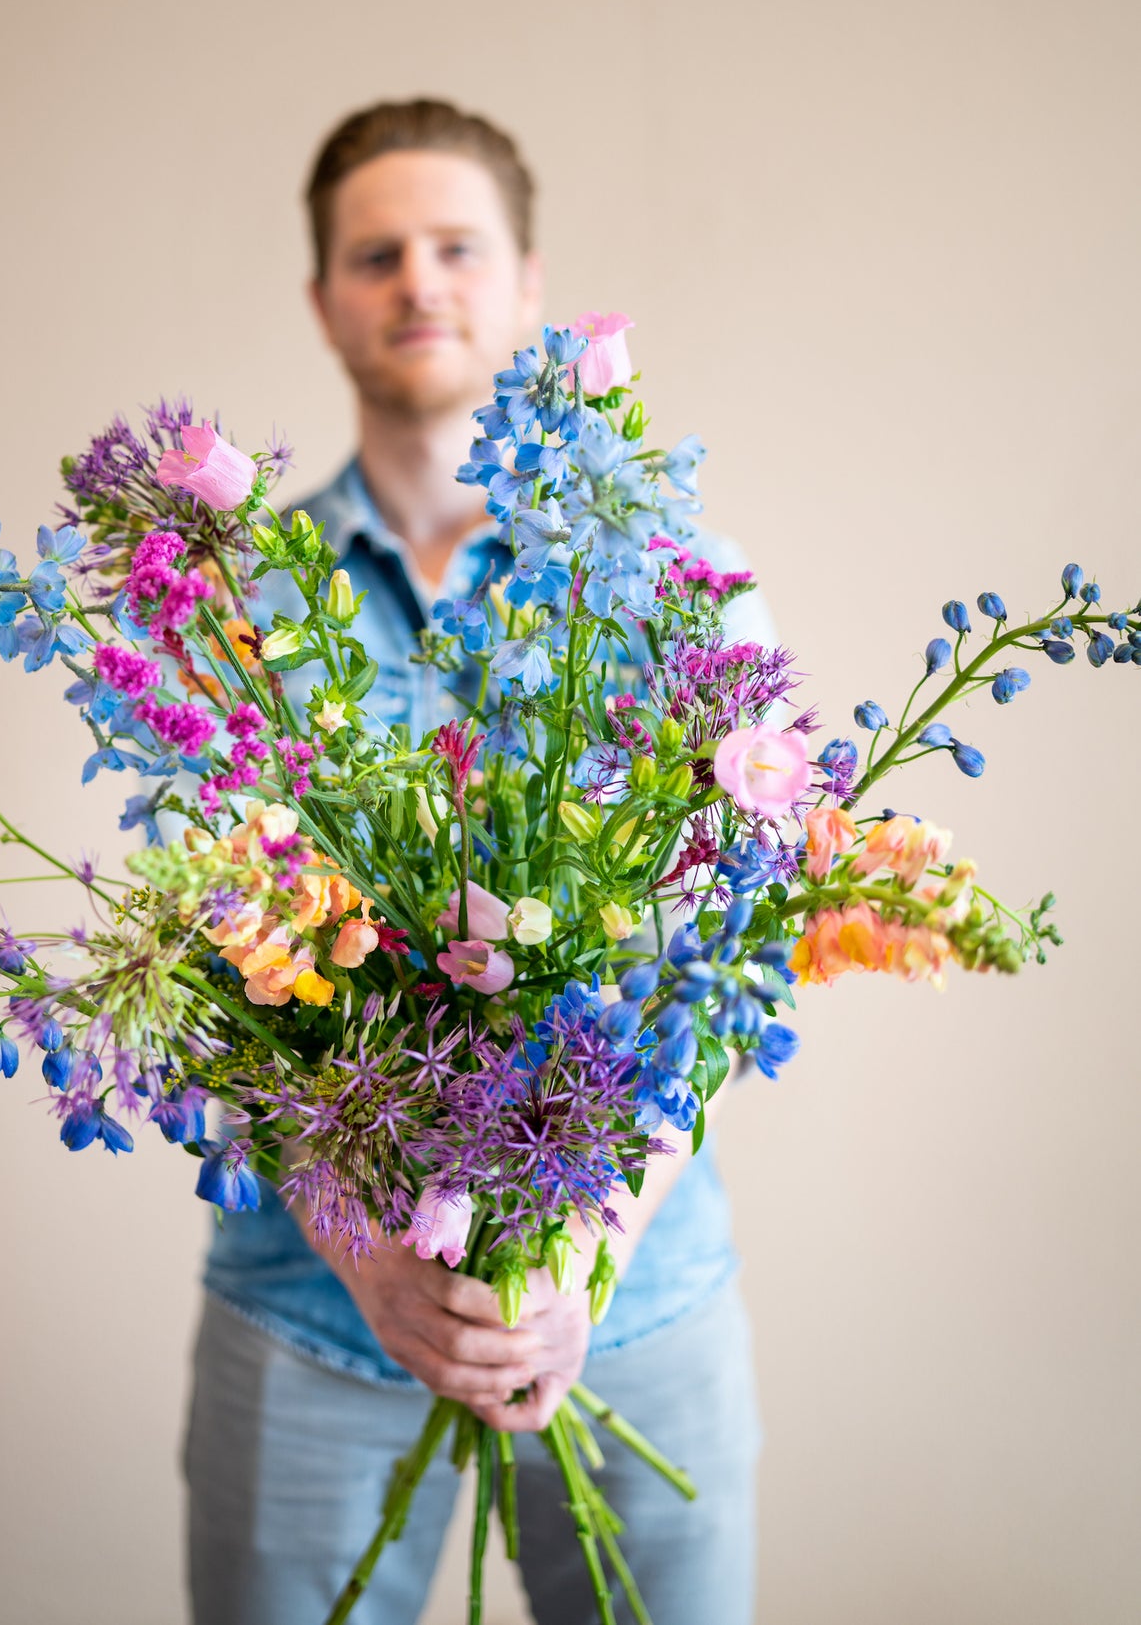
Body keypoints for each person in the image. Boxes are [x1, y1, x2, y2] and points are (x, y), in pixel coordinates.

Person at [184, 99, 770, 1625]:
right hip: (314, 1309)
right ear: (323, 299)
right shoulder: (237, 602)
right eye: (373, 253)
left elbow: (731, 948)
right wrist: (377, 1260)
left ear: (526, 285)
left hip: (634, 1298)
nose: (416, 281)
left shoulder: (668, 583)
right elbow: (204, 962)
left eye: (456, 246)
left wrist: (582, 1253)